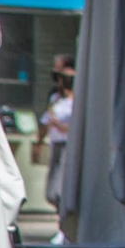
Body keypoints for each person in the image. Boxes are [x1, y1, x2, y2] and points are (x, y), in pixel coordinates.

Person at [40, 54, 75, 208]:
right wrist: (39, 141)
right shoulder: (55, 97)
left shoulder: (77, 99)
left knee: (60, 189)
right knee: (52, 191)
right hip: (56, 145)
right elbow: (45, 120)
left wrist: (63, 127)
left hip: (68, 146)